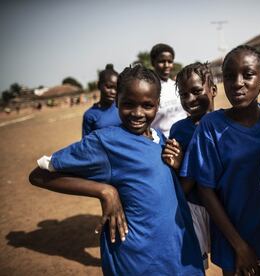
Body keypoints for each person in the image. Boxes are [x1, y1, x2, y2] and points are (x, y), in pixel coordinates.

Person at [29, 64, 204, 276]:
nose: (138, 113)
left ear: (157, 105)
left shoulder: (159, 138)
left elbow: (169, 192)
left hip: (177, 250)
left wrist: (177, 166)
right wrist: (105, 191)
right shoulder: (105, 141)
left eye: (147, 105)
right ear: (117, 101)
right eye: (128, 104)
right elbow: (39, 175)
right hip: (138, 257)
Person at [181, 45, 260, 276]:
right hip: (233, 239)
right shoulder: (211, 127)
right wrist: (240, 246)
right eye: (230, 76)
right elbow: (206, 190)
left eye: (248, 74)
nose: (237, 82)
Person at [170, 61, 217, 269]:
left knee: (231, 262)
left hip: (224, 208)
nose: (189, 99)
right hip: (192, 207)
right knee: (195, 265)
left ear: (213, 90)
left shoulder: (227, 123)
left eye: (196, 91)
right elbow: (176, 175)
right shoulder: (178, 130)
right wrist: (177, 164)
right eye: (183, 95)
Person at [150, 43, 187, 137]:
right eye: (162, 61)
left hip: (185, 139)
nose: (166, 65)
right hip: (162, 143)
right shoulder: (150, 89)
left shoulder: (178, 86)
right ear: (153, 62)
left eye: (170, 61)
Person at [82, 64, 121, 137]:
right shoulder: (90, 115)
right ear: (99, 85)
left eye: (116, 88)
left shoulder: (122, 108)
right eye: (109, 87)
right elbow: (86, 144)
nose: (113, 92)